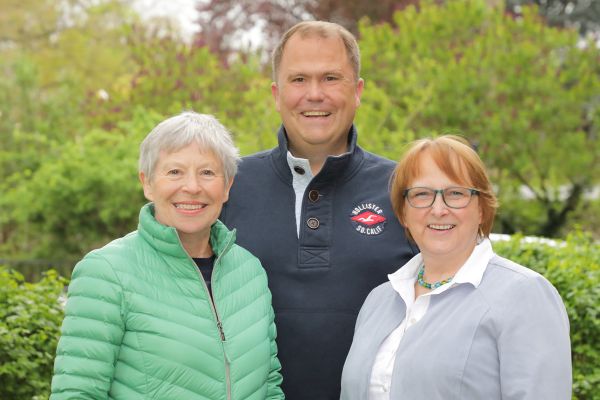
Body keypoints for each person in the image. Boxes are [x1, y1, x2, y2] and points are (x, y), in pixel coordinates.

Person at [219, 21, 416, 399]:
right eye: (298, 80)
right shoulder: (228, 186)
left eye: (330, 78)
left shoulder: (405, 188)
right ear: (276, 94)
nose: (314, 94)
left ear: (357, 91)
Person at [50, 112, 284, 400]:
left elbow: (270, 385)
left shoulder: (249, 271)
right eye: (174, 172)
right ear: (147, 183)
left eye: (207, 172)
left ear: (227, 187)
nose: (192, 187)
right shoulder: (107, 272)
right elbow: (76, 394)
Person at [340, 135, 572, 399]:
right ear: (403, 212)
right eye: (422, 194)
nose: (438, 209)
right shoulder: (378, 301)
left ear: (482, 209)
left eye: (456, 194)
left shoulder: (524, 296)